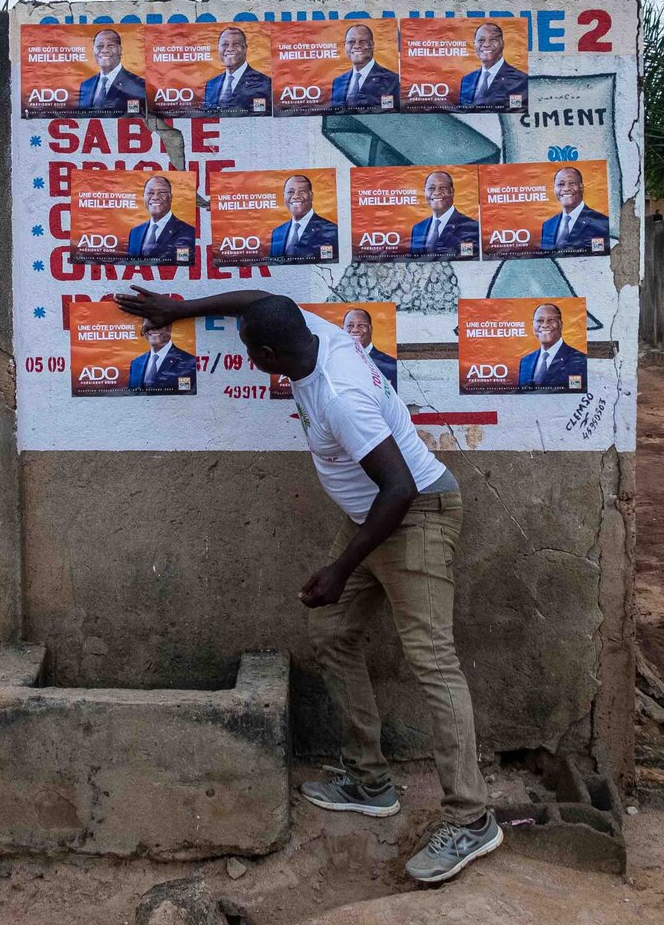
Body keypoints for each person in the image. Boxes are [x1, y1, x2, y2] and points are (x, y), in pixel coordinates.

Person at [115, 285, 501, 885]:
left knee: (432, 661)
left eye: (248, 350)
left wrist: (341, 567)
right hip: (374, 519)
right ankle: (369, 780)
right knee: (331, 628)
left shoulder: (340, 394)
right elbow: (258, 300)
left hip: (415, 514)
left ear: (269, 355)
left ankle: (473, 816)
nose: (244, 355)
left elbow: (398, 487)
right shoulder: (307, 334)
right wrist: (179, 309)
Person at [537, 164, 613, 254]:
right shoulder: (548, 226)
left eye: (572, 183)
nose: (566, 188)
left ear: (581, 187)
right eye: (561, 184)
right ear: (554, 188)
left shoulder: (601, 223)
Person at [124, 174, 198, 263]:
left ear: (170, 197)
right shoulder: (135, 233)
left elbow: (183, 266)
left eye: (161, 192)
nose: (155, 197)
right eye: (150, 193)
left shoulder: (188, 233)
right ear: (143, 196)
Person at [406, 170, 479, 259]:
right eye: (431, 188)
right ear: (425, 192)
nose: (436, 192)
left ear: (452, 192)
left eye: (443, 188)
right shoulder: (417, 229)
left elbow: (468, 260)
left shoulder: (471, 227)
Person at [266, 172, 339, 261]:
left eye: (302, 191)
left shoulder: (331, 231)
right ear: (283, 196)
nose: (296, 196)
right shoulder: (277, 233)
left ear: (311, 195)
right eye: (290, 192)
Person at [516, 302, 587, 391]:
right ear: (533, 325)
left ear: (560, 324)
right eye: (540, 320)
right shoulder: (525, 361)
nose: (545, 325)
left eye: (551, 320)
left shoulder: (579, 360)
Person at [457, 22, 529, 110]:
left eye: (492, 39)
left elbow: (515, 112)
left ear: (502, 44)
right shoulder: (467, 80)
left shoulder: (519, 80)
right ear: (474, 44)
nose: (486, 44)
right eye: (481, 40)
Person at [202, 27, 273, 114]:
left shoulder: (264, 83)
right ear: (218, 48)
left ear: (245, 48)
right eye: (225, 44)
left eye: (236, 44)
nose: (230, 49)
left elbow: (262, 117)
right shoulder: (211, 84)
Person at [329, 22, 399, 111]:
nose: (357, 46)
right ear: (345, 46)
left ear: (372, 44)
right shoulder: (338, 82)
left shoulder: (391, 80)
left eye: (363, 41)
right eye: (351, 42)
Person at [78, 28, 147, 114]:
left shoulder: (137, 84)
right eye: (99, 46)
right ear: (93, 50)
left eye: (110, 46)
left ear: (120, 50)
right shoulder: (85, 85)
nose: (104, 50)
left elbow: (134, 118)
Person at [126, 319, 194, 392]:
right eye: (148, 323)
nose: (153, 328)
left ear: (169, 327)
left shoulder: (189, 362)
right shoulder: (136, 364)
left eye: (158, 323)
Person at [340, 306, 399, 385]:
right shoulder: (334, 362)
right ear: (342, 329)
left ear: (370, 329)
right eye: (350, 325)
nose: (355, 330)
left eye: (361, 325)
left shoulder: (389, 364)